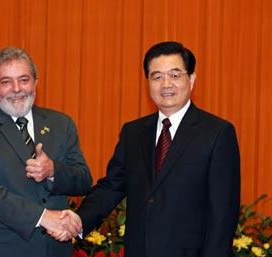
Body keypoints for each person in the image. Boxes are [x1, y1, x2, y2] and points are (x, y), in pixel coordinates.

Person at [60, 41, 240, 257]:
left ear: (191, 79)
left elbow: (223, 214)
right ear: (148, 82)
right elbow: (112, 187)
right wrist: (80, 219)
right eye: (157, 76)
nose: (166, 84)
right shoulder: (133, 133)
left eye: (175, 75)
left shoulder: (217, 133)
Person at [0, 47, 91, 257]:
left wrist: (53, 170)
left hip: (55, 249)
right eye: (6, 82)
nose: (17, 88)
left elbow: (83, 180)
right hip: (2, 250)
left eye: (24, 79)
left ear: (36, 83)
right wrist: (44, 217)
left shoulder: (61, 124)